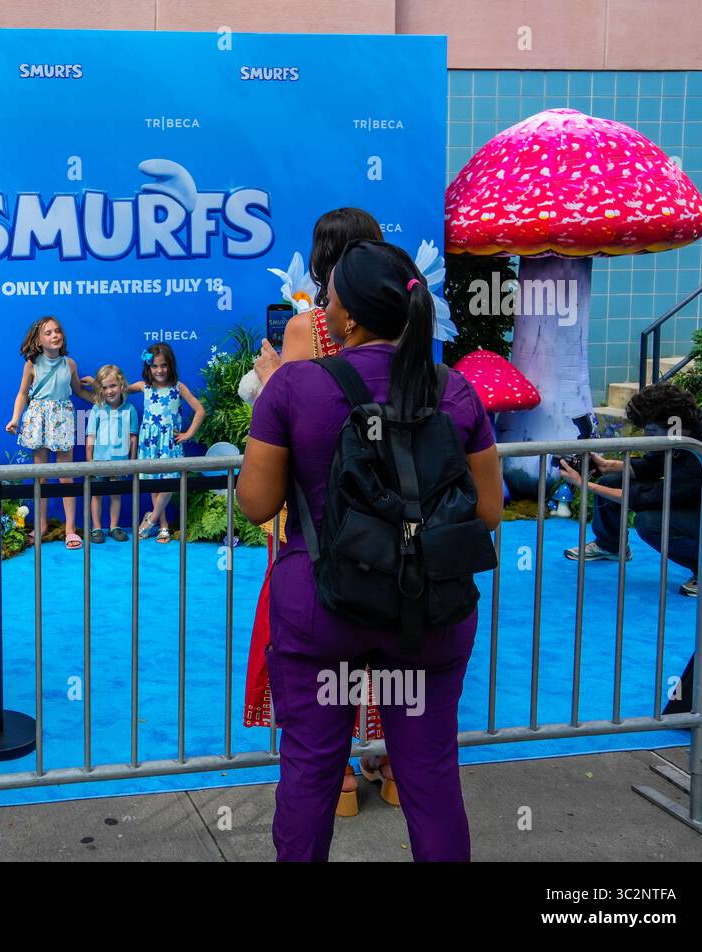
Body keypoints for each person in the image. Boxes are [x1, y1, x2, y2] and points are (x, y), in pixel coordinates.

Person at [237, 239, 503, 861]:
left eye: (328, 297)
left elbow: (255, 504)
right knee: (431, 776)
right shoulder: (454, 390)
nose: (321, 307)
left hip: (323, 612)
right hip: (426, 611)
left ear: (350, 315)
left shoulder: (294, 388)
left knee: (310, 772)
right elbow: (487, 512)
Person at [243, 208, 390, 815]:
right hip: (395, 511)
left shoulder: (309, 328)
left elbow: (299, 418)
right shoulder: (405, 328)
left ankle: (342, 782)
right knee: (391, 636)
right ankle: (390, 763)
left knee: (321, 636)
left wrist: (272, 377)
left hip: (319, 511)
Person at [561, 382, 702, 597]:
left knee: (650, 523)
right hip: (698, 494)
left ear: (673, 424)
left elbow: (650, 497)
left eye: (650, 430)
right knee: (611, 481)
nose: (646, 435)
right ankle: (610, 545)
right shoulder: (682, 426)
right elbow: (652, 467)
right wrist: (604, 465)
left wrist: (584, 485)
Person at [6, 317, 99, 550]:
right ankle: (42, 524)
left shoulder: (70, 364)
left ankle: (70, 528)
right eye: (48, 333)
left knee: (66, 476)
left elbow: (78, 391)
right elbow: (22, 394)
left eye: (58, 331)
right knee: (42, 475)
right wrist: (15, 418)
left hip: (64, 417)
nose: (55, 335)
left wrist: (103, 399)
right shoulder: (31, 363)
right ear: (39, 339)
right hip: (38, 417)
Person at [129, 342, 205, 542]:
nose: (159, 370)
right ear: (148, 367)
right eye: (154, 366)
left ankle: (151, 519)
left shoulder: (178, 388)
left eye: (163, 365)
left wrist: (188, 434)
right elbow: (118, 389)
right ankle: (163, 526)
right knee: (155, 484)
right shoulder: (143, 386)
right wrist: (97, 383)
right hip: (149, 442)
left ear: (170, 365)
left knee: (169, 482)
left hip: (169, 443)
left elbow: (200, 410)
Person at [85, 364, 138, 542]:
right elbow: (90, 435)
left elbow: (132, 437)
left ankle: (114, 526)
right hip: (99, 461)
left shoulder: (130, 409)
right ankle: (97, 527)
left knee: (116, 494)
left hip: (121, 461)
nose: (109, 391)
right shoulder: (97, 409)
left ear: (121, 385)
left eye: (112, 386)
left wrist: (132, 461)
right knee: (97, 494)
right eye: (105, 387)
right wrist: (89, 461)